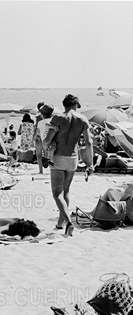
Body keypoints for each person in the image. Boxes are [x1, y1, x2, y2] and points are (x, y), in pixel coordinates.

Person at [43, 94, 93, 236]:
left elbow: (46, 141)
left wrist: (47, 146)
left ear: (64, 105)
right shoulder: (82, 119)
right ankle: (60, 223)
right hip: (73, 158)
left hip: (58, 157)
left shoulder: (58, 118)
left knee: (56, 193)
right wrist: (90, 164)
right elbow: (89, 143)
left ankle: (68, 222)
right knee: (66, 191)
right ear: (76, 105)